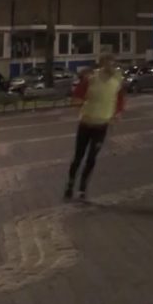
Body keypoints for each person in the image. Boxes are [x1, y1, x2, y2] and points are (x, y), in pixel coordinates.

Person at [64, 53, 124, 201]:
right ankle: (70, 185)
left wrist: (117, 113)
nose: (111, 66)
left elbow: (120, 98)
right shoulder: (91, 78)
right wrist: (78, 105)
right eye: (108, 63)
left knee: (91, 158)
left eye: (113, 63)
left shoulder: (118, 80)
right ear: (102, 63)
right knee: (78, 156)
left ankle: (82, 188)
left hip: (101, 125)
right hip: (86, 124)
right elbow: (78, 95)